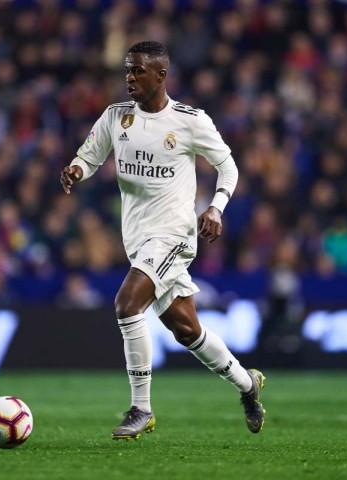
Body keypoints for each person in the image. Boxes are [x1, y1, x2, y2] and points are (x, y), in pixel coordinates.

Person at [60, 41, 266, 440]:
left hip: (174, 233)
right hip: (137, 238)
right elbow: (90, 156)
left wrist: (216, 208)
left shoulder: (190, 121)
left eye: (137, 70)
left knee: (126, 304)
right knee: (187, 330)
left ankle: (141, 409)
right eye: (126, 70)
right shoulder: (115, 118)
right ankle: (248, 384)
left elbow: (228, 166)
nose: (129, 78)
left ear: (160, 75)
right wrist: (75, 170)